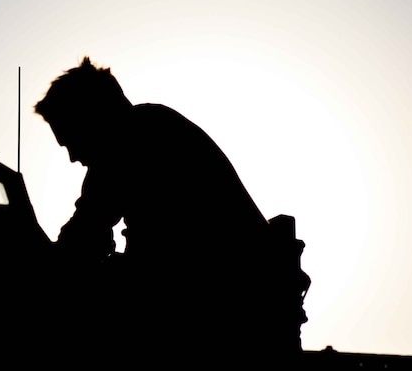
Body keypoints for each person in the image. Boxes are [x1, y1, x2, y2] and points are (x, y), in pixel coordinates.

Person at [35, 57, 300, 355]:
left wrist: (32, 255)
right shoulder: (154, 123)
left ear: (90, 118)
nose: (72, 156)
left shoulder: (127, 138)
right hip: (243, 293)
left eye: (71, 139)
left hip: (218, 305)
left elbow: (82, 240)